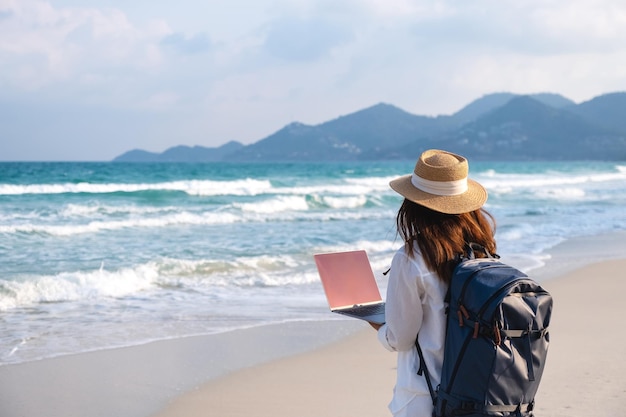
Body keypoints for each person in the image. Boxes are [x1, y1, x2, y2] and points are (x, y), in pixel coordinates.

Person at [370, 149, 496, 417]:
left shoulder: (412, 256)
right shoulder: (483, 250)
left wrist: (378, 325)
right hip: (478, 394)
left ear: (414, 204)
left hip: (425, 397)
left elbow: (400, 339)